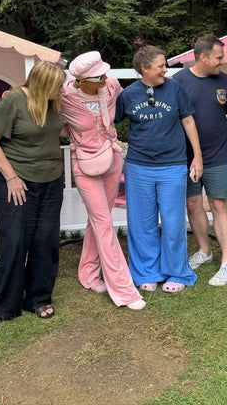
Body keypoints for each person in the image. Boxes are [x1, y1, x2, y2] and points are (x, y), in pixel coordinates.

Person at [0, 60, 66, 330]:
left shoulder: (54, 103)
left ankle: (39, 298)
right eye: (57, 86)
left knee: (45, 242)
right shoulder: (13, 101)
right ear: (43, 85)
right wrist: (11, 177)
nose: (61, 90)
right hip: (17, 182)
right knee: (14, 243)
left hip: (51, 181)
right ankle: (3, 306)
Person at [114, 40, 203, 293]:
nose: (166, 69)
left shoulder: (175, 89)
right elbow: (109, 120)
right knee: (142, 223)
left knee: (174, 222)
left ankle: (177, 273)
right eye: (161, 66)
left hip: (172, 166)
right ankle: (146, 273)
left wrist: (197, 156)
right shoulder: (129, 94)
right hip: (138, 167)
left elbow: (188, 121)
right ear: (144, 68)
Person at [61, 51, 146, 310]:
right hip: (84, 166)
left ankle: (87, 273)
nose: (105, 78)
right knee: (104, 223)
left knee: (99, 221)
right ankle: (123, 290)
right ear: (80, 80)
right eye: (98, 76)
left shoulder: (110, 86)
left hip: (111, 160)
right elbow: (57, 124)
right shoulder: (65, 97)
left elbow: (122, 108)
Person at [174, 35, 227, 286]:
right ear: (203, 57)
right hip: (186, 157)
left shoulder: (224, 81)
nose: (222, 62)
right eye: (219, 57)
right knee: (192, 204)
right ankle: (205, 251)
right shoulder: (179, 81)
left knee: (218, 204)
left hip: (216, 155)